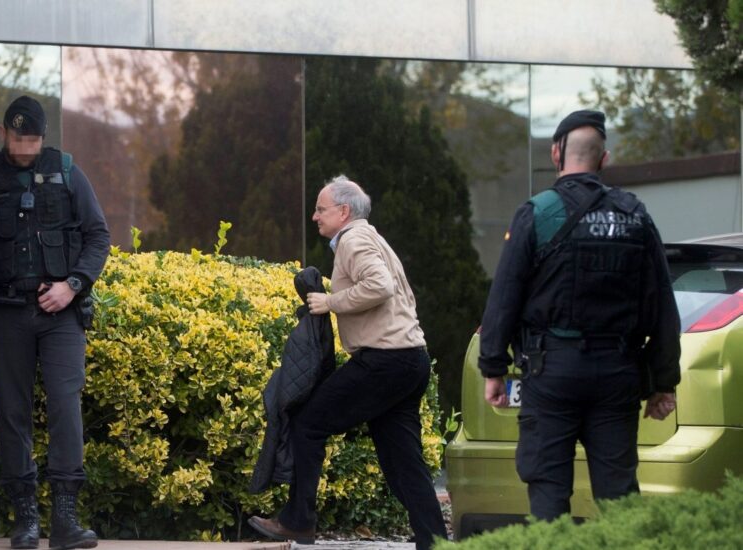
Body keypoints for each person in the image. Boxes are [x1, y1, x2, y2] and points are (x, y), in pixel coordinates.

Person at [477, 110, 681, 521]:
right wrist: (664, 382)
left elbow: (504, 297)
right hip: (618, 373)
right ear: (604, 160)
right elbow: (661, 303)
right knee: (619, 493)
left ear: (556, 153)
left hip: (552, 372)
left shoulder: (536, 213)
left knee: (549, 489)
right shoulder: (634, 215)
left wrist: (493, 369)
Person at [0, 96, 109, 550]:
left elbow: (98, 236)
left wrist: (72, 285)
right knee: (12, 414)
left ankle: (66, 519)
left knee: (64, 407)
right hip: (7, 313)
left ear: (43, 137)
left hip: (61, 316)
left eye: (33, 139)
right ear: (2, 133)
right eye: (19, 139)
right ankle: (26, 518)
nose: (27, 148)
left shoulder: (68, 172)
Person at [248, 176, 447, 550]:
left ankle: (298, 522)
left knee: (308, 424)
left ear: (343, 211)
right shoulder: (374, 239)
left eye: (321, 209)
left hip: (385, 362)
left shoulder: (353, 239)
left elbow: (380, 286)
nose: (314, 216)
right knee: (403, 462)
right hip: (410, 361)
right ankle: (435, 542)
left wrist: (329, 302)